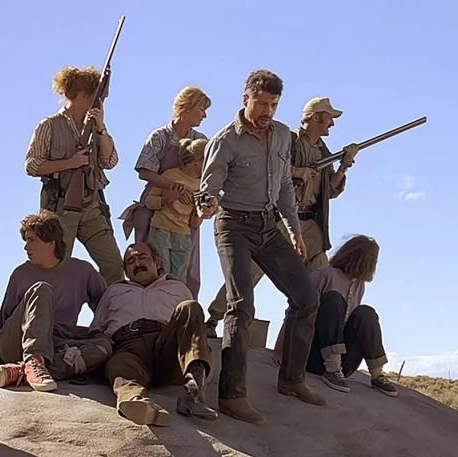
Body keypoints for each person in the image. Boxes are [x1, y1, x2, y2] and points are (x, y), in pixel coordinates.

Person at [198, 69, 325, 424]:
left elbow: (284, 186)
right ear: (246, 99)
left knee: (306, 298)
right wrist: (207, 204)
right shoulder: (225, 140)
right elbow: (209, 188)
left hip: (269, 226)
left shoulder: (282, 135)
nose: (267, 111)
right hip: (232, 225)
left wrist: (294, 230)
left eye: (273, 104)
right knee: (241, 306)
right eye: (261, 103)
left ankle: (292, 380)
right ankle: (232, 396)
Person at [204, 97, 360, 337]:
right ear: (316, 117)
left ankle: (317, 339)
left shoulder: (323, 151)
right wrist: (298, 172)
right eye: (329, 117)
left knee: (320, 282)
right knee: (249, 272)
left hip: (311, 225)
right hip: (280, 222)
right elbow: (273, 172)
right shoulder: (288, 140)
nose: (332, 123)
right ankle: (213, 318)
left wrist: (344, 166)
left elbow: (330, 191)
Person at [90, 243, 217, 426]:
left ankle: (193, 395)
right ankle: (135, 401)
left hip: (166, 347)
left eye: (143, 257)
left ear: (157, 262)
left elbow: (192, 327)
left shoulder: (177, 287)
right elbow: (96, 328)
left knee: (190, 307)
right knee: (119, 364)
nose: (137, 263)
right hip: (128, 346)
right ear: (126, 270)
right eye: (130, 261)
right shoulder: (114, 291)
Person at [0, 211, 112, 392]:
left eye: (32, 240)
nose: (26, 247)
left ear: (50, 242)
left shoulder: (82, 271)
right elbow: (4, 318)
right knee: (42, 289)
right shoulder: (21, 274)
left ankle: (24, 370)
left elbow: (105, 306)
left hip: (57, 341)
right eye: (26, 241)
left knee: (104, 345)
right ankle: (33, 360)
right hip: (17, 342)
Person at [25, 66, 123, 285]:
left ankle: (111, 307)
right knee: (56, 269)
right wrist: (69, 163)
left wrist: (101, 129)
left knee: (114, 265)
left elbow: (110, 161)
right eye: (97, 97)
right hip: (59, 208)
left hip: (92, 207)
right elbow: (32, 165)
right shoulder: (49, 125)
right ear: (83, 95)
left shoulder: (95, 127)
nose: (101, 103)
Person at [121, 86, 211, 297]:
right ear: (187, 107)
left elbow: (207, 179)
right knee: (149, 262)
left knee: (188, 267)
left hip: (186, 214)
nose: (204, 115)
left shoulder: (200, 139)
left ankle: (183, 307)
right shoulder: (160, 136)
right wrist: (174, 187)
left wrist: (202, 205)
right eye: (201, 109)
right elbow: (144, 171)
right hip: (155, 208)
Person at [306, 235, 398, 397]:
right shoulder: (324, 274)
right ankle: (332, 368)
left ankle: (377, 374)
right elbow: (297, 310)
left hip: (345, 363)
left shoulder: (359, 285)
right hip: (313, 354)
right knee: (333, 299)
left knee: (366, 312)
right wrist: (282, 351)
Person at [145, 138, 207, 281]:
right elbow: (149, 201)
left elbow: (195, 223)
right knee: (161, 273)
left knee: (179, 278)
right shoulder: (170, 175)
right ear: (198, 161)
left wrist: (198, 209)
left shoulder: (202, 186)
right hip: (161, 230)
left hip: (183, 235)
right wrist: (166, 199)